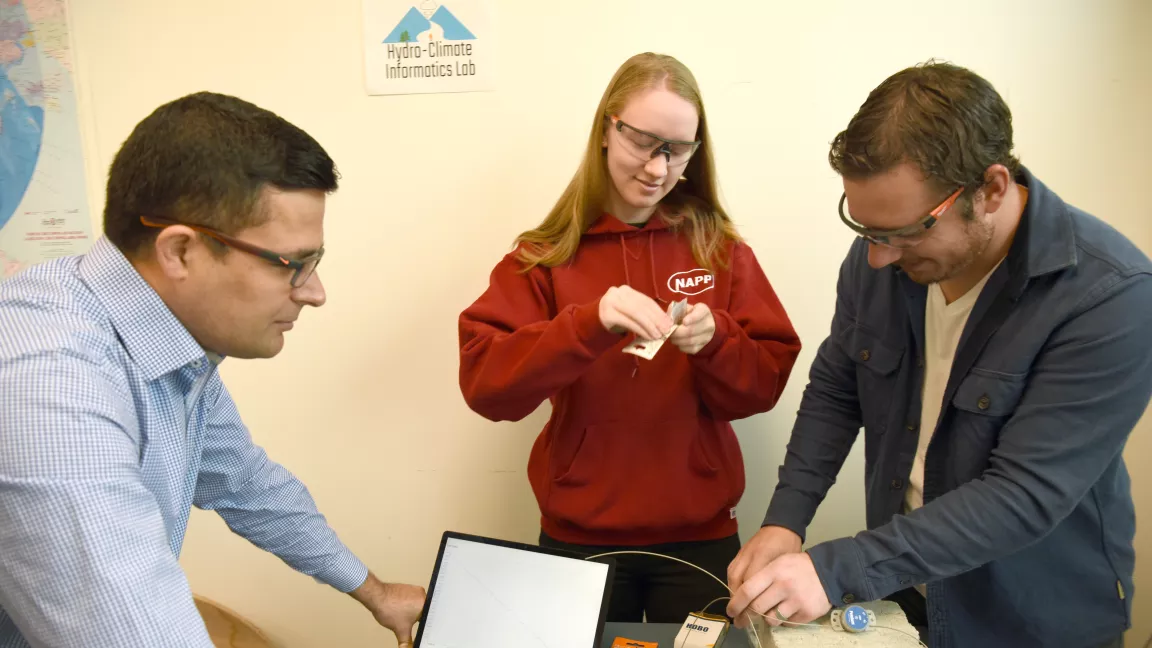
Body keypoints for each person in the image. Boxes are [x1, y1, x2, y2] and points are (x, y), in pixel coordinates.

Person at [725, 61, 1152, 647]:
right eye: (865, 230)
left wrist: (836, 570)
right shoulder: (883, 255)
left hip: (1034, 619)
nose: (877, 258)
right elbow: (836, 388)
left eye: (905, 232)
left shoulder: (1111, 295)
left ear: (991, 189)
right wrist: (784, 520)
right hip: (906, 589)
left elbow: (1023, 494)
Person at [0, 92, 425, 647]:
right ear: (179, 251)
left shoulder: (159, 340)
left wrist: (375, 591)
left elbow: (245, 481)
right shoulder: (50, 382)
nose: (315, 293)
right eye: (294, 265)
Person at [457, 52, 802, 623]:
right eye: (642, 141)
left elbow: (762, 388)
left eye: (678, 149)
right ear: (605, 130)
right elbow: (487, 388)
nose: (657, 167)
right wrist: (587, 324)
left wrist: (717, 340)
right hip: (582, 541)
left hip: (701, 537)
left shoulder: (720, 251)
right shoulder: (544, 259)